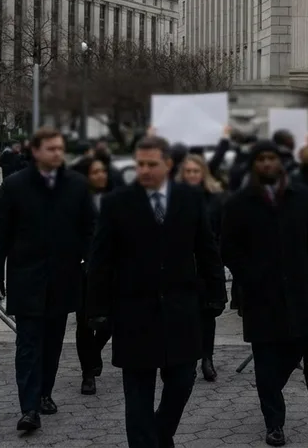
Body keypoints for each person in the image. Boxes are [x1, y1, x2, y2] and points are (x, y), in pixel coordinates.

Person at [86, 135, 226, 448]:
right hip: (134, 314)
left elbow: (207, 250)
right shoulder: (117, 203)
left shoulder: (190, 200)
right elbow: (100, 261)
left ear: (168, 164)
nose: (145, 170)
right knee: (137, 393)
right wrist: (97, 308)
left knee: (182, 382)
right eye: (140, 164)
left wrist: (216, 291)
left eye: (152, 164)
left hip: (181, 311)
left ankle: (160, 434)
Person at [0, 127, 96, 433]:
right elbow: (1, 233)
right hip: (27, 276)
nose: (57, 154)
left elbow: (90, 228)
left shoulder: (76, 185)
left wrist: (88, 261)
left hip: (64, 276)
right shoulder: (15, 185)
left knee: (53, 341)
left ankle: (45, 391)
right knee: (29, 343)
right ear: (35, 152)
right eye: (50, 149)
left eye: (60, 149)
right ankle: (29, 407)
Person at [221, 140, 308, 447]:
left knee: (298, 343)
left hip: (297, 289)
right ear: (253, 165)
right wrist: (248, 275)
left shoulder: (301, 197)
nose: (267, 164)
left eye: (272, 158)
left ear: (281, 163)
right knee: (265, 357)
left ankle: (271, 388)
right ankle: (274, 423)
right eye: (261, 159)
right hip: (260, 295)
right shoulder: (239, 203)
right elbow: (228, 248)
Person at [176, 153, 227, 382]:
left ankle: (207, 358)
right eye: (188, 171)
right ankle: (186, 358)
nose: (192, 175)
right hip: (181, 266)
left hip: (207, 266)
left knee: (208, 315)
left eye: (196, 171)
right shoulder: (173, 198)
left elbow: (221, 230)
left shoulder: (215, 199)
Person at [72, 154, 116, 396]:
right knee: (85, 323)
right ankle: (87, 373)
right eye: (94, 172)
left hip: (111, 270)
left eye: (103, 171)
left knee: (109, 322)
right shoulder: (78, 200)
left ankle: (95, 353)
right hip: (84, 270)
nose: (100, 176)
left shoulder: (115, 198)